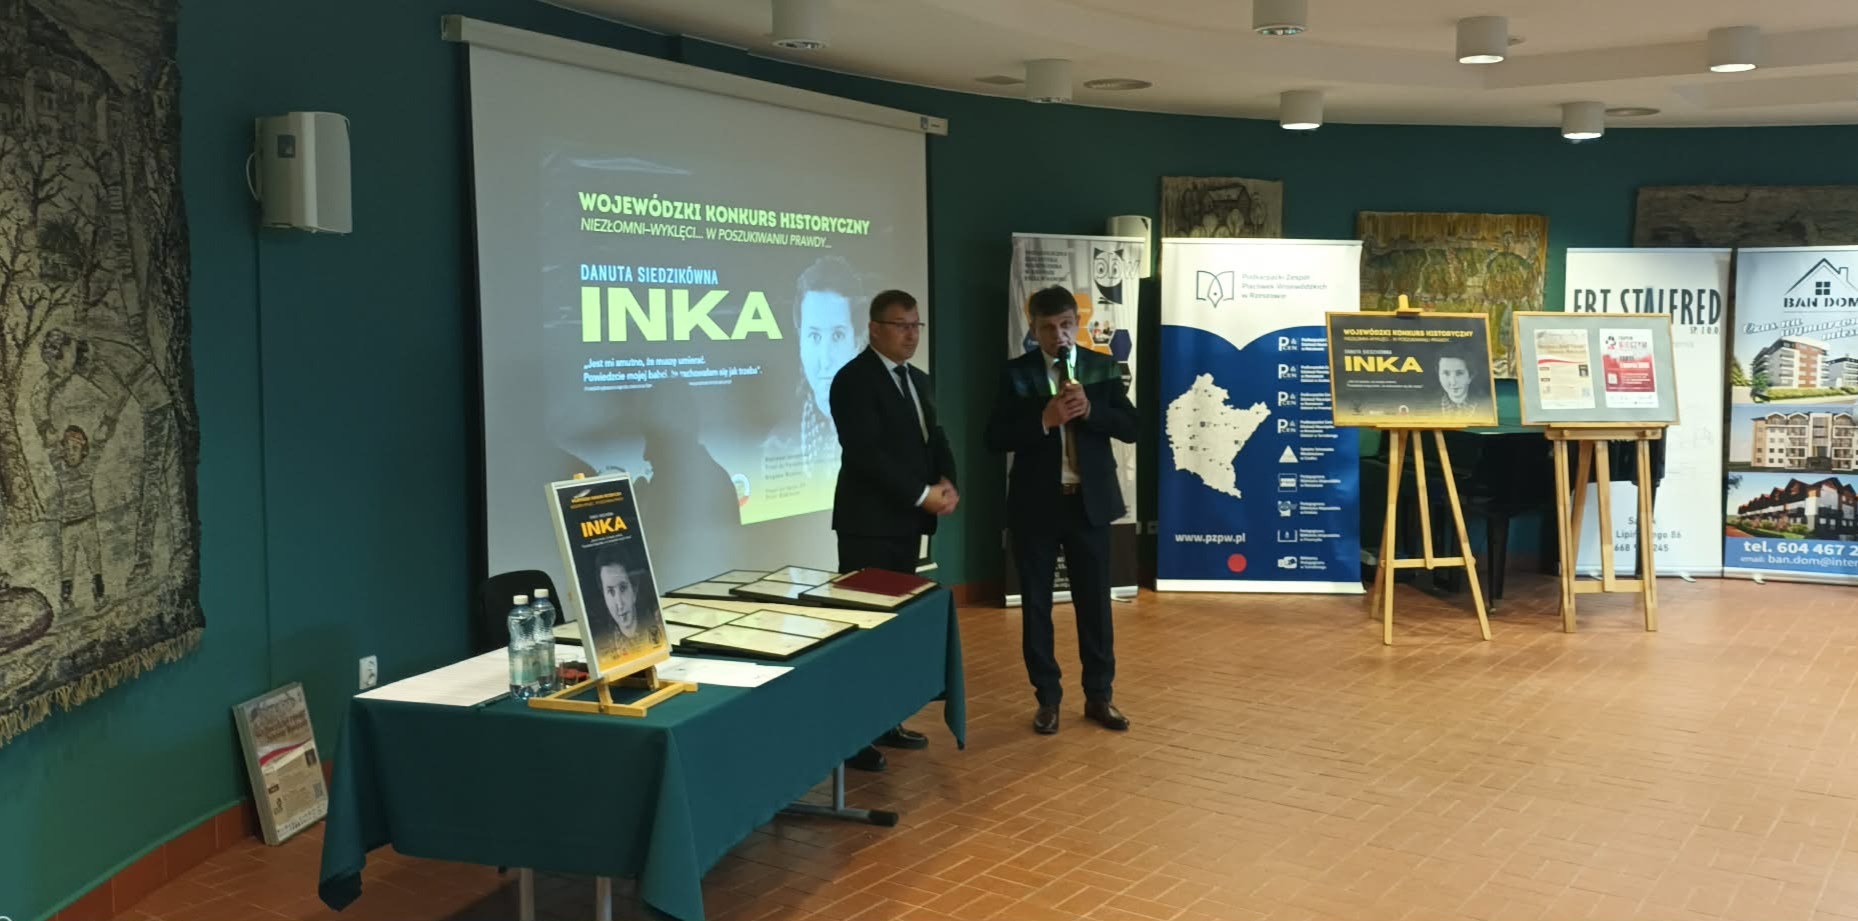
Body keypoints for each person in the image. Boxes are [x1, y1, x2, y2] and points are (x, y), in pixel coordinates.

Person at [985, 285, 1138, 736]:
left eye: (1066, 324)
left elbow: (1132, 427)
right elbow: (994, 437)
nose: (1059, 334)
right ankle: (1047, 699)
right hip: (1036, 506)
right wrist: (1042, 421)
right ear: (1033, 329)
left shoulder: (1101, 367)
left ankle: (1099, 695)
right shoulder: (1016, 373)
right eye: (1048, 327)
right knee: (1036, 605)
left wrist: (1092, 412)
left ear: (1078, 323)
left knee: (1095, 605)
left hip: (1088, 504)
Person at [828, 288, 958, 771]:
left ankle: (885, 721)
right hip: (868, 525)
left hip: (907, 525)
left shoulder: (918, 380)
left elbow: (935, 439)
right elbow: (867, 454)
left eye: (916, 325)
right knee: (864, 630)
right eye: (901, 325)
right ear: (875, 329)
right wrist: (921, 494)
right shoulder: (853, 380)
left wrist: (948, 483)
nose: (911, 335)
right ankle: (853, 736)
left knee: (893, 629)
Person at [584, 540, 665, 665]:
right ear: (604, 596)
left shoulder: (657, 624)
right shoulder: (601, 642)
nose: (619, 603)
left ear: (634, 590)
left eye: (623, 588)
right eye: (610, 591)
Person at [1435, 352, 1487, 417]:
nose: (1453, 382)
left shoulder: (1486, 405)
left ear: (1470, 377)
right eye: (1446, 373)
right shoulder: (1427, 405)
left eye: (1459, 373)